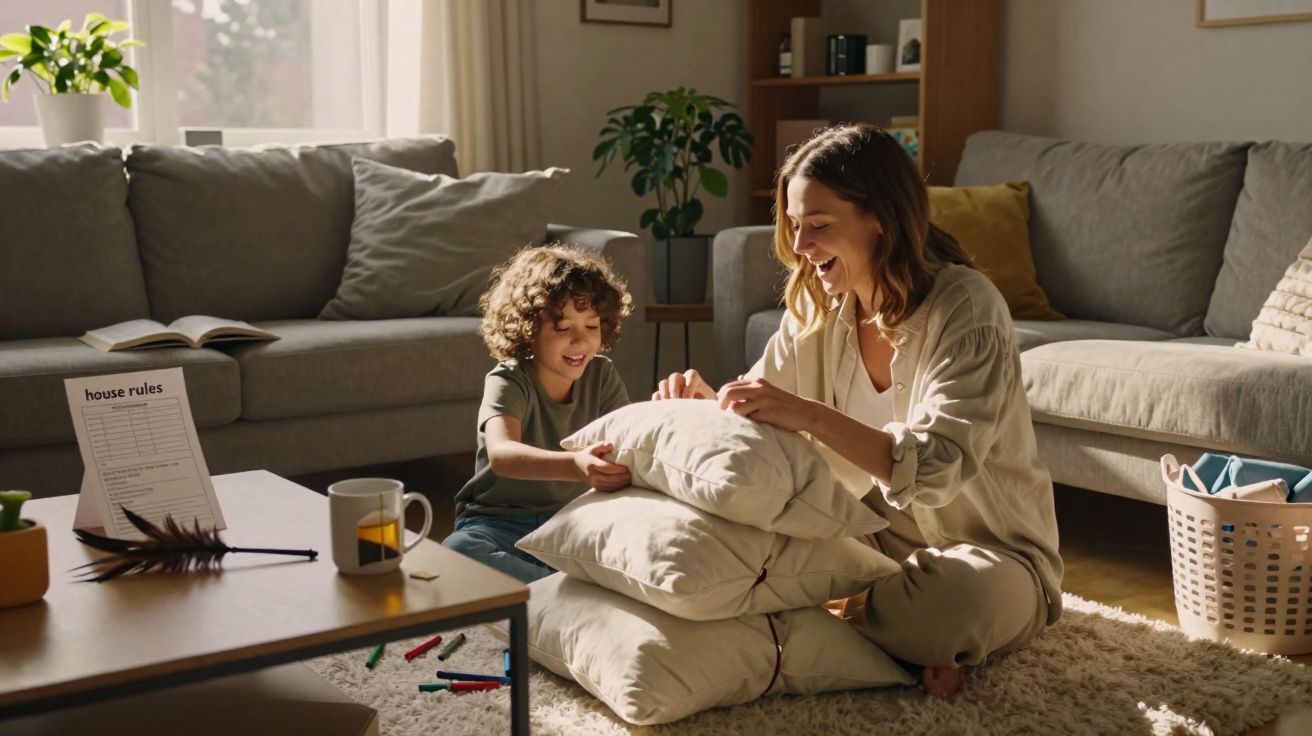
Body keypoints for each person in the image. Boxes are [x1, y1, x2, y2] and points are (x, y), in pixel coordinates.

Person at [654, 123, 1063, 698]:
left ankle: (850, 626)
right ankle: (890, 638)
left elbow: (938, 467)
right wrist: (709, 404)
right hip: (867, 540)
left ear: (881, 217)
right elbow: (765, 412)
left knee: (953, 604)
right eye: (795, 226)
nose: (800, 247)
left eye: (819, 226)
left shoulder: (965, 307)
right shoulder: (820, 304)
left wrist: (810, 415)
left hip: (988, 552)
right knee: (734, 552)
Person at [443, 244, 634, 582]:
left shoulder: (602, 376)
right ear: (528, 330)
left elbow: (631, 440)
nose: (580, 341)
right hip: (498, 524)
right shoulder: (509, 379)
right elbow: (502, 454)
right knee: (458, 551)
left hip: (571, 522)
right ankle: (563, 590)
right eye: (563, 328)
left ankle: (548, 589)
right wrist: (575, 465)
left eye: (591, 327)